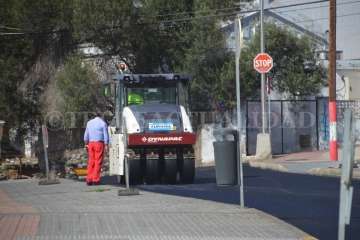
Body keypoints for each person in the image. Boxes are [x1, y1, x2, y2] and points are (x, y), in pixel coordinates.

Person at [84, 111, 109, 185]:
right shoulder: (103, 123)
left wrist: (86, 144)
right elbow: (105, 135)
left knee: (91, 161)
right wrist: (106, 144)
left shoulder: (89, 123)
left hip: (91, 143)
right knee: (98, 161)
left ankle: (89, 179)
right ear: (101, 116)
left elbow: (86, 135)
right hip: (99, 143)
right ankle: (95, 179)